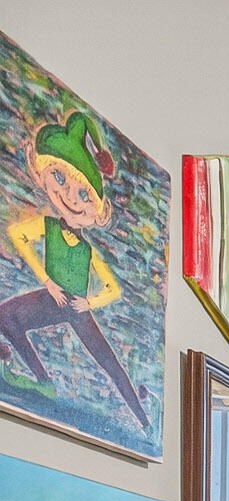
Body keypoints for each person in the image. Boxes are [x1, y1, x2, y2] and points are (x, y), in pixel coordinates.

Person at [0, 112, 150, 430]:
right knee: (5, 316)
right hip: (53, 297)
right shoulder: (48, 225)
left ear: (97, 211)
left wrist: (88, 304)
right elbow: (17, 236)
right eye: (60, 179)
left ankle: (143, 419)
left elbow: (112, 288)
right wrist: (47, 281)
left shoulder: (87, 249)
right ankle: (43, 381)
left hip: (77, 307)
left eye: (83, 195)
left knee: (110, 362)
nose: (70, 197)